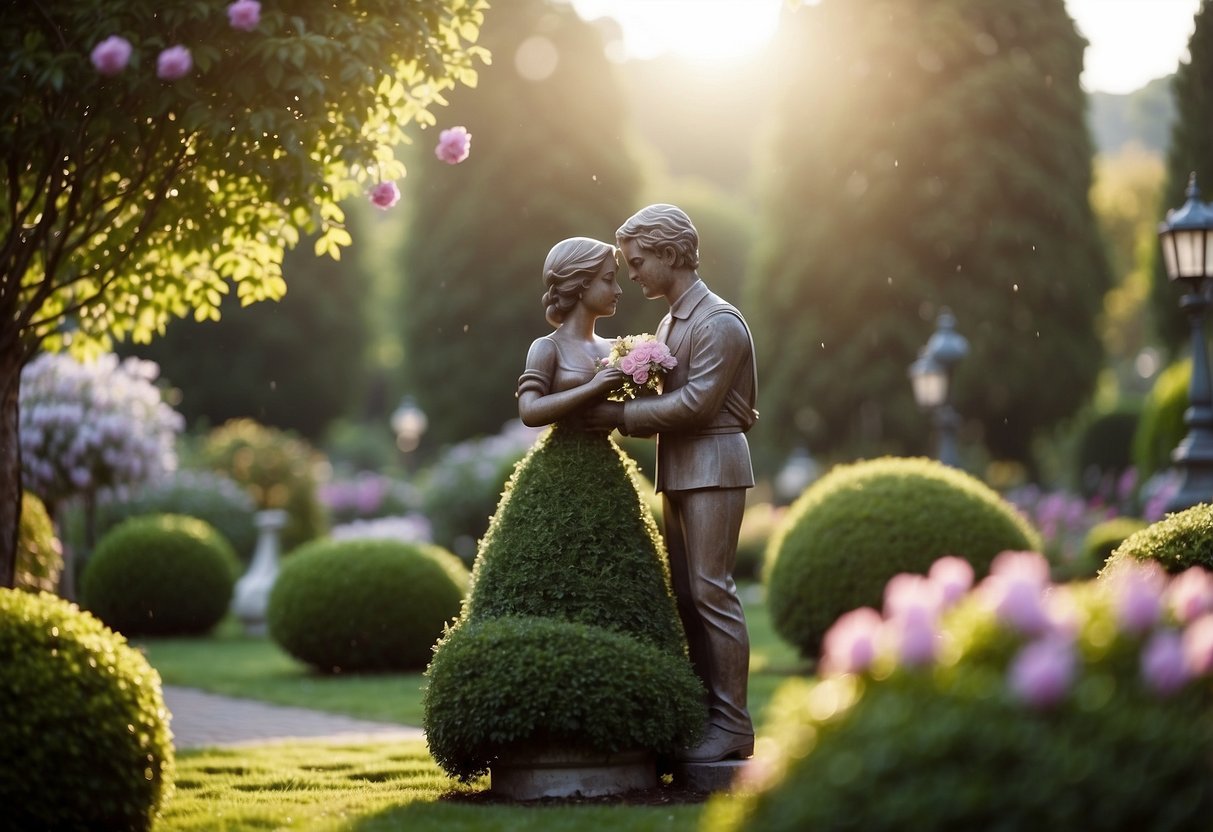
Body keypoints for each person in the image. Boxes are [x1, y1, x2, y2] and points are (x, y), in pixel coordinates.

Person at [583, 204, 758, 764]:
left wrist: (620, 417)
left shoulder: (718, 322)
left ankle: (732, 725)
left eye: (637, 263)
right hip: (681, 465)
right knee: (688, 595)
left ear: (668, 253)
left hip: (714, 463)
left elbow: (697, 403)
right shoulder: (670, 323)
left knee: (712, 591)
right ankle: (705, 716)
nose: (630, 274)